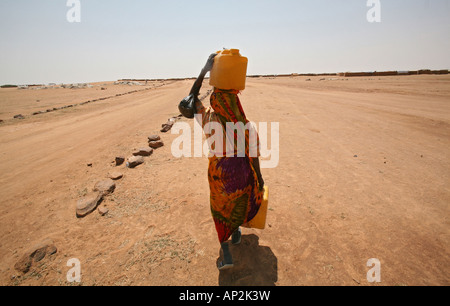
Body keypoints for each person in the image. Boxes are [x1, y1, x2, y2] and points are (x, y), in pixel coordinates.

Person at [189, 53, 265, 270]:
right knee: (240, 202)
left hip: (220, 175)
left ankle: (227, 255)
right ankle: (238, 232)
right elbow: (255, 155)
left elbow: (190, 100)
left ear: (216, 103)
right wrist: (258, 177)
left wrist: (204, 70)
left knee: (221, 210)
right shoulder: (246, 125)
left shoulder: (209, 120)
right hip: (244, 172)